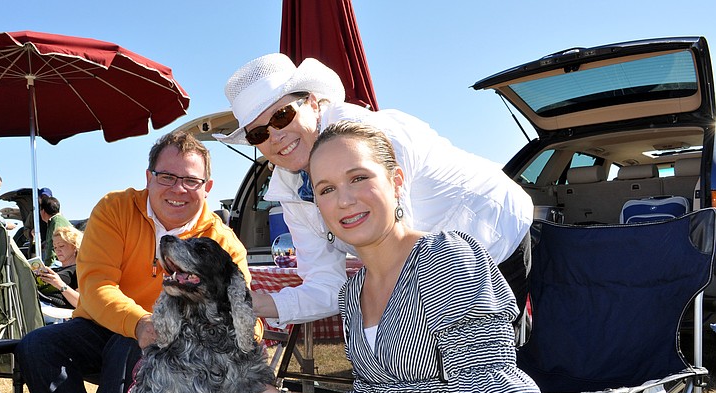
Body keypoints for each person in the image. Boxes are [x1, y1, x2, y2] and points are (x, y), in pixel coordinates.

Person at [182, 122, 554, 393]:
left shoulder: (447, 260)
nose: (344, 200)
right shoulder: (352, 293)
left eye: (359, 178)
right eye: (325, 189)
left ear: (396, 181)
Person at [216, 53, 533, 335]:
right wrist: (251, 304)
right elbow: (327, 284)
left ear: (312, 103)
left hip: (491, 234)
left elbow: (402, 260)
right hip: (429, 260)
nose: (276, 135)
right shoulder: (291, 189)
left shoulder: (369, 141)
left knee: (475, 373)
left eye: (282, 115)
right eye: (259, 133)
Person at [15, 131, 256, 393]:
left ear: (207, 188)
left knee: (135, 348)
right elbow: (96, 284)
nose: (178, 189)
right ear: (148, 177)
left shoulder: (222, 242)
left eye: (190, 180)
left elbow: (244, 316)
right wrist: (140, 321)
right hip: (109, 324)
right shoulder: (116, 209)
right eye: (167, 177)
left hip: (178, 347)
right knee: (37, 346)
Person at [36, 224, 82, 309]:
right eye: (55, 247)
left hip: (52, 308)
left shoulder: (79, 270)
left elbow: (80, 303)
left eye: (61, 246)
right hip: (39, 302)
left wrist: (59, 284)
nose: (57, 250)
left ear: (74, 246)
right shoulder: (55, 268)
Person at [39, 196, 72, 266]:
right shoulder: (56, 221)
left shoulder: (56, 222)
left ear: (43, 211)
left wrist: (48, 266)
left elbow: (52, 247)